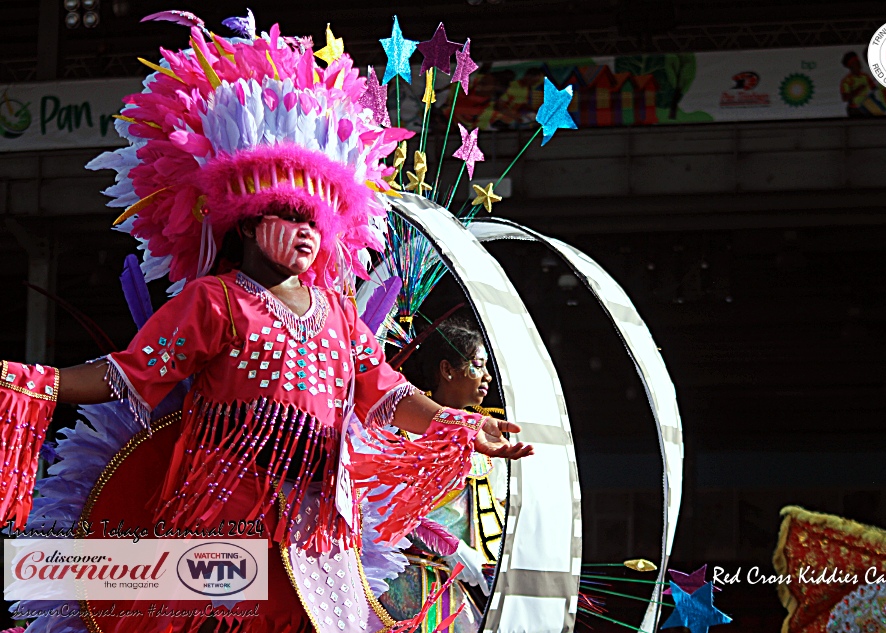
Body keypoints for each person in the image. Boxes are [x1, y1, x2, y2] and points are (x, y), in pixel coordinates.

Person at [0, 15, 532, 633]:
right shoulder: (216, 301)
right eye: (286, 213)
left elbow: (387, 394)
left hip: (319, 533)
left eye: (316, 217)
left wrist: (460, 425)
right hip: (226, 519)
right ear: (246, 222)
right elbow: (130, 376)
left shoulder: (337, 311)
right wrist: (33, 385)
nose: (306, 230)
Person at [378, 316, 508, 631]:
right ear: (447, 370)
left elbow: (498, 511)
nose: (488, 377)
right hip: (408, 575)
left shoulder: (489, 438)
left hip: (467, 582)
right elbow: (387, 506)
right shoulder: (400, 432)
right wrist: (451, 547)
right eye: (478, 366)